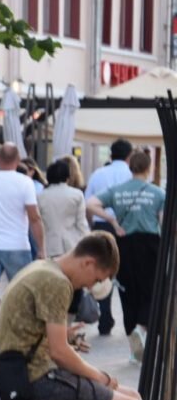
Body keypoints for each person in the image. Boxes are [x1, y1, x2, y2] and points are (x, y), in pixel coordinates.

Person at [0, 231, 177, 400]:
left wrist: (66, 337)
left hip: (25, 374)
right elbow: (60, 353)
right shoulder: (56, 282)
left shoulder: (43, 267)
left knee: (133, 399)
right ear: (88, 262)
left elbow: (34, 333)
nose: (90, 286)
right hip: (36, 380)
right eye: (96, 279)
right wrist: (100, 377)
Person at [87, 149, 165, 363]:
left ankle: (134, 347)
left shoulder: (117, 190)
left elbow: (91, 204)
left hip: (124, 244)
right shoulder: (157, 193)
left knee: (127, 291)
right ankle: (142, 329)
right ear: (149, 168)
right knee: (151, 291)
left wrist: (112, 221)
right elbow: (164, 222)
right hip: (150, 245)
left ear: (130, 167)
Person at [0, 143, 44, 358]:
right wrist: (42, 249)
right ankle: (20, 339)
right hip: (17, 245)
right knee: (22, 293)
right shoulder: (25, 182)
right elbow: (34, 217)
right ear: (18, 160)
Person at [84, 138, 133, 335]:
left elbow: (88, 203)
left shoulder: (98, 174)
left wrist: (91, 225)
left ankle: (105, 318)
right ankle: (130, 321)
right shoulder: (131, 175)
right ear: (129, 156)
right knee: (126, 273)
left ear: (111, 154)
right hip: (126, 228)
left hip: (102, 226)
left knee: (103, 271)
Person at [38, 159, 89, 259]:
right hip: (72, 244)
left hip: (49, 244)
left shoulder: (40, 197)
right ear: (67, 177)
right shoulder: (77, 195)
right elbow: (81, 224)